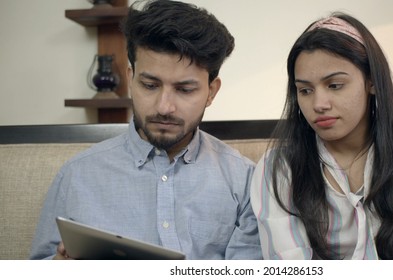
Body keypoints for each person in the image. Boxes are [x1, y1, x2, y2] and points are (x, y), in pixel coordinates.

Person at [30, 0, 261, 260]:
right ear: (130, 79)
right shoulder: (77, 175)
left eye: (185, 90)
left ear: (212, 91)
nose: (164, 107)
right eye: (150, 85)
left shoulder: (244, 181)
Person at [250, 12, 393, 260]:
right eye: (305, 90)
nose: (319, 104)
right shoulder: (278, 169)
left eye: (335, 85)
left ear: (371, 81)